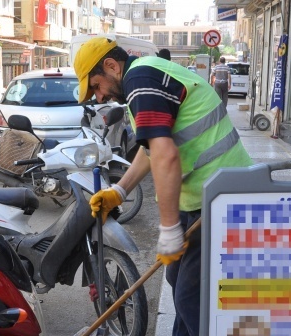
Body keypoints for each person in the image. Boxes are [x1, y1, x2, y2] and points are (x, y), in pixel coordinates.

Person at [74, 37, 253, 336]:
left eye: (96, 86)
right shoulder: (143, 77)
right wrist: (120, 191)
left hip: (221, 200)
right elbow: (151, 150)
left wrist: (169, 229)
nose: (99, 97)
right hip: (205, 198)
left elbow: (166, 155)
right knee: (178, 284)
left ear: (110, 66)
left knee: (190, 298)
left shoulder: (140, 80)